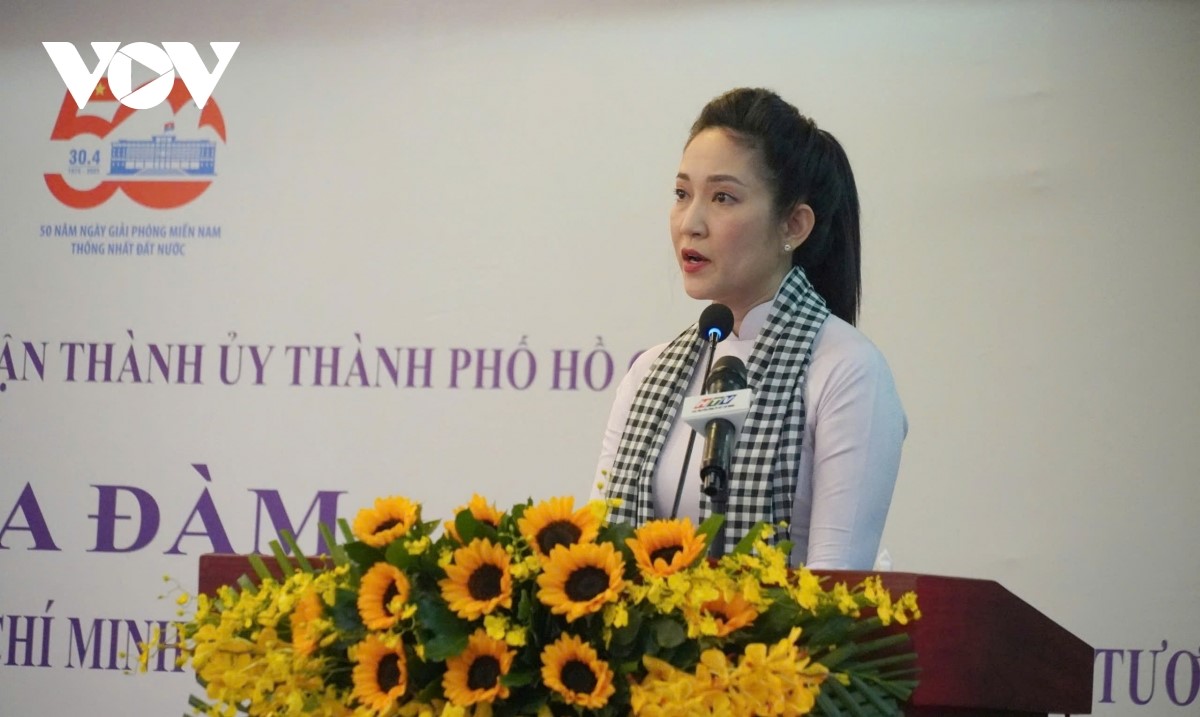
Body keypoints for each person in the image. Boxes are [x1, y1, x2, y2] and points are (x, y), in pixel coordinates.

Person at [593, 88, 906, 569]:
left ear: (794, 225)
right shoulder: (649, 374)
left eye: (723, 197)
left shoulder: (847, 370)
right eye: (682, 194)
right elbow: (599, 559)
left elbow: (837, 585)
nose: (690, 223)